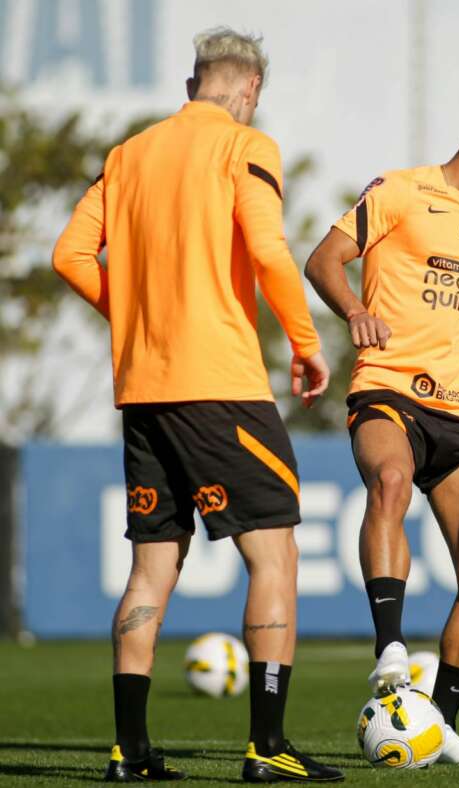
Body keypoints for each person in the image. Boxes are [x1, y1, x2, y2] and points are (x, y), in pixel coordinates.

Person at [52, 27, 343, 783]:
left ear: (192, 88)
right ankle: (268, 746)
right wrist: (306, 343)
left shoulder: (129, 155)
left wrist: (137, 319)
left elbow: (68, 256)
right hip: (221, 386)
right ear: (248, 93)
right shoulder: (245, 145)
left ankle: (129, 750)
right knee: (273, 552)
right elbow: (271, 250)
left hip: (143, 391)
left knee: (151, 569)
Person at [305, 77, 459, 766]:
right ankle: (390, 650)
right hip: (388, 390)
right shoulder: (399, 192)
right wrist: (353, 308)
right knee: (389, 481)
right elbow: (322, 260)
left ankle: (439, 725)